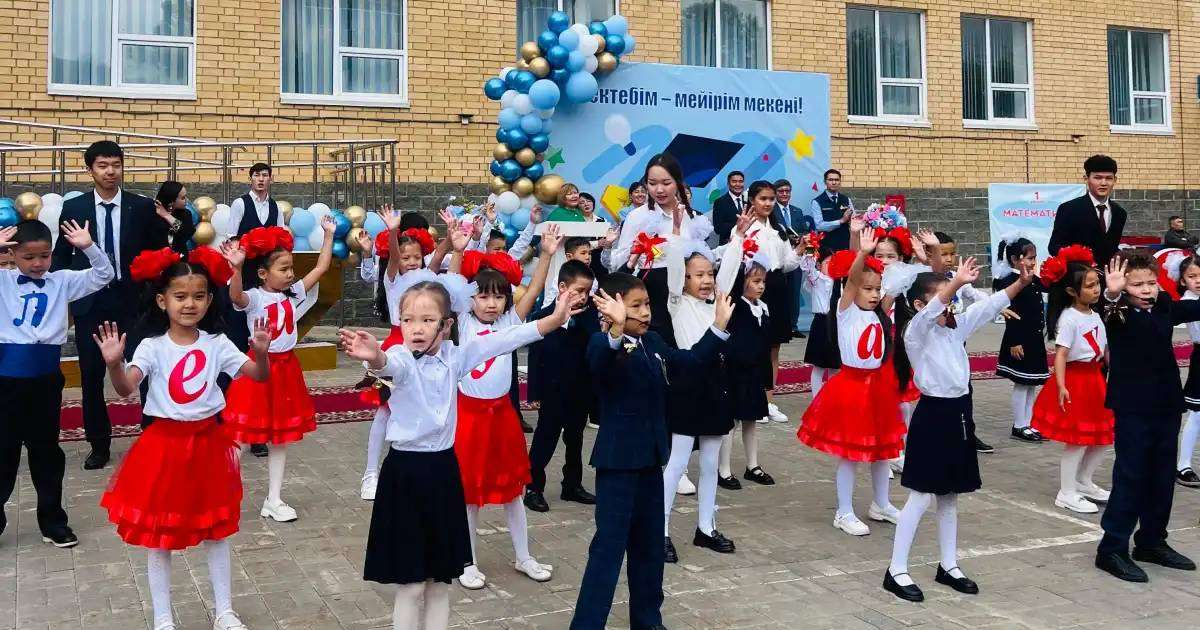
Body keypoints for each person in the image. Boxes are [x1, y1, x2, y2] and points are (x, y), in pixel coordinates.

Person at [339, 272, 579, 630]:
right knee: (411, 583)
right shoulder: (400, 357)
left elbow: (509, 338)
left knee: (440, 581)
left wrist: (555, 319)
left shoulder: (457, 355)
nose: (416, 328)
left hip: (444, 472)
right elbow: (389, 366)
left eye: (427, 320)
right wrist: (375, 356)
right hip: (405, 475)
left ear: (447, 324)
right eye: (408, 319)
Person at [97, 248, 270, 630]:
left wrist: (261, 353)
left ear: (209, 300)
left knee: (216, 531)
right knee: (160, 535)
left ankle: (224, 610)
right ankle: (163, 618)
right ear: (162, 301)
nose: (189, 304)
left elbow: (257, 375)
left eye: (198, 296)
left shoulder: (218, 344)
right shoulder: (152, 347)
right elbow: (127, 388)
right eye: (180, 296)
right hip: (164, 446)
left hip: (209, 444)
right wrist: (113, 363)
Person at [571, 273, 731, 630]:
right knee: (608, 552)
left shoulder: (653, 341)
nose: (645, 313)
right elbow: (600, 363)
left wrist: (718, 327)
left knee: (649, 550)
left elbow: (686, 364)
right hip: (618, 465)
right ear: (611, 308)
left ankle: (648, 621)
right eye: (635, 306)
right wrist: (614, 330)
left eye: (646, 305)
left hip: (651, 461)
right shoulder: (603, 344)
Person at [883, 256, 1032, 602]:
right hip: (932, 415)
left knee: (950, 496)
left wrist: (1021, 283)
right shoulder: (916, 331)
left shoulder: (956, 327)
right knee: (921, 496)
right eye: (944, 299)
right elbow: (936, 303)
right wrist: (955, 284)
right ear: (920, 304)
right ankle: (896, 569)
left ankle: (948, 564)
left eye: (951, 299)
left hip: (959, 414)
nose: (950, 304)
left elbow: (993, 303)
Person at [454, 227, 562, 590]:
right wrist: (458, 251)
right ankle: (466, 560)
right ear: (469, 299)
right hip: (468, 418)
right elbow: (454, 286)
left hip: (502, 417)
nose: (490, 303)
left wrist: (546, 254)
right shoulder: (462, 322)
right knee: (470, 493)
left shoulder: (510, 323)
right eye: (482, 296)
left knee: (513, 490)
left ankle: (524, 556)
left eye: (498, 297)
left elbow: (532, 291)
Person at [52, 140, 167, 470]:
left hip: (135, 303)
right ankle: (99, 445)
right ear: (90, 170)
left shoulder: (141, 207)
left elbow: (160, 255)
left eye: (115, 164)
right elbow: (61, 257)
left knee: (148, 372)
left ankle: (153, 435)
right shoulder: (75, 209)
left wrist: (156, 295)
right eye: (102, 165)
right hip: (91, 305)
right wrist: (64, 295)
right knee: (91, 376)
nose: (110, 171)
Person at [0, 220, 111, 548]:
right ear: (13, 255)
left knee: (46, 452)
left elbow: (103, 275)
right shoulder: (3, 281)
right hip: (6, 381)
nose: (37, 263)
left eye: (44, 256)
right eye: (28, 257)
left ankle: (53, 521)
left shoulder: (61, 281)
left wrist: (88, 245)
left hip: (46, 381)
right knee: (3, 452)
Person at [220, 219, 335, 523]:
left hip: (286, 370)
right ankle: (218, 493)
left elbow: (321, 268)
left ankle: (274, 498)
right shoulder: (255, 297)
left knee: (280, 438)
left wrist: (328, 234)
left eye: (291, 268)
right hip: (259, 368)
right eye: (283, 269)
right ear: (262, 273)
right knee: (242, 437)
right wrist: (235, 268)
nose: (290, 274)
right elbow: (235, 297)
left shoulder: (293, 293)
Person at [1094, 251, 1200, 583]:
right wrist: (1111, 293)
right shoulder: (1118, 310)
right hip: (1133, 407)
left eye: (1151, 283)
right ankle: (1111, 549)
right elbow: (1106, 309)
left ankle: (1152, 541)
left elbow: (1191, 307)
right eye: (1136, 284)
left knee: (1162, 477)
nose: (1146, 289)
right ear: (1124, 287)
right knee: (1131, 476)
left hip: (1167, 403)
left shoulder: (1165, 304)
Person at [799, 238, 905, 536]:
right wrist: (862, 252)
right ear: (854, 286)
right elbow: (852, 279)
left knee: (883, 451)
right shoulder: (845, 310)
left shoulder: (879, 311)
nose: (873, 294)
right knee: (850, 454)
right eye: (867, 288)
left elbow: (898, 283)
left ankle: (881, 504)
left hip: (877, 390)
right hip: (852, 388)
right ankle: (843, 511)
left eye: (876, 289)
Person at [660, 210, 749, 562]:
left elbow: (728, 273)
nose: (707, 280)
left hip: (716, 388)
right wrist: (677, 235)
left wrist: (738, 238)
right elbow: (672, 265)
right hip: (687, 388)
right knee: (677, 463)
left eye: (709, 273)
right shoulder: (676, 302)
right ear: (684, 280)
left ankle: (706, 527)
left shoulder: (718, 305)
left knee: (710, 463)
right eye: (698, 275)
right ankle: (661, 530)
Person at [357, 209, 439, 500]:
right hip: (396, 346)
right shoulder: (393, 280)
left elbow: (438, 261)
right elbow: (393, 258)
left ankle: (419, 470)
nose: (412, 262)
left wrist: (452, 243)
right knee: (384, 411)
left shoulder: (427, 278)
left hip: (425, 348)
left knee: (421, 406)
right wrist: (393, 233)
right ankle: (370, 473)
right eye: (406, 258)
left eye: (416, 257)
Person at [1029, 246, 1112, 513]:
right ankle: (1066, 491)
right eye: (1089, 286)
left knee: (1103, 437)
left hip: (1095, 380)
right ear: (1070, 291)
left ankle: (1084, 481)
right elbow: (1061, 354)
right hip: (1077, 381)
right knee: (1077, 440)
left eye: (1097, 284)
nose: (1096, 289)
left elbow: (1104, 347)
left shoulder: (1095, 313)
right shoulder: (1069, 318)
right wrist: (1062, 385)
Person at [611, 154, 712, 346]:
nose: (659, 190)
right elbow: (618, 262)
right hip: (654, 291)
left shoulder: (690, 216)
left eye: (666, 183)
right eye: (652, 183)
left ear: (678, 182)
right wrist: (635, 253)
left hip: (687, 291)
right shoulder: (637, 217)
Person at [524, 260, 600, 512]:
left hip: (579, 390)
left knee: (575, 439)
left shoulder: (589, 317)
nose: (582, 297)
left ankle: (572, 485)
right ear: (562, 287)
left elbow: (594, 346)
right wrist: (534, 392)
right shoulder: (543, 316)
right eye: (578, 291)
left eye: (587, 292)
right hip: (552, 392)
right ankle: (533, 487)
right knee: (546, 439)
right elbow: (535, 357)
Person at [739, 180, 805, 424]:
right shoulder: (745, 227)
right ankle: (751, 399)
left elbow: (785, 263)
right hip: (751, 288)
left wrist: (798, 251)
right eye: (763, 199)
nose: (767, 203)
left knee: (773, 347)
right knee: (753, 346)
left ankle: (768, 401)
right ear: (752, 201)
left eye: (771, 199)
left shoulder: (778, 229)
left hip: (776, 287)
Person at [993, 236, 1049, 443]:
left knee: (1031, 383)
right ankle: (1019, 425)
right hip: (1019, 339)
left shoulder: (1033, 278)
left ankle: (1028, 422)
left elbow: (1048, 288)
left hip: (1034, 338)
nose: (1033, 262)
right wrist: (1015, 341)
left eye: (1035, 257)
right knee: (1021, 382)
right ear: (1016, 259)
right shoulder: (1008, 282)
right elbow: (1011, 314)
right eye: (1029, 258)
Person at [1048, 155, 1126, 266]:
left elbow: (1111, 247)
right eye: (1097, 178)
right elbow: (1054, 246)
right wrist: (1078, 259)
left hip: (1108, 278)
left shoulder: (1120, 213)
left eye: (1109, 178)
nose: (1103, 183)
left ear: (1115, 180)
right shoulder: (1069, 209)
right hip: (1078, 277)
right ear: (1086, 178)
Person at [798, 235, 836, 396]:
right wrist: (810, 246)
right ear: (820, 265)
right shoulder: (817, 278)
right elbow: (807, 266)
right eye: (828, 263)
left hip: (835, 323)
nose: (832, 266)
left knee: (835, 365)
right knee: (819, 366)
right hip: (821, 323)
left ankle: (834, 398)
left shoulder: (839, 281)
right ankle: (817, 400)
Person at [774, 179, 812, 337]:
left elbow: (804, 230)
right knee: (778, 293)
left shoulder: (797, 211)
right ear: (775, 193)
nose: (784, 194)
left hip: (796, 256)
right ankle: (779, 326)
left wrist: (800, 238)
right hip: (779, 257)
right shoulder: (771, 211)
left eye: (787, 191)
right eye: (781, 191)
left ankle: (793, 326)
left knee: (794, 292)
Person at [1176, 255, 1200, 487]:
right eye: (1192, 277)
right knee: (1196, 415)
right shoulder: (1188, 302)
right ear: (1182, 281)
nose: (1198, 281)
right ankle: (1183, 465)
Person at [808, 169, 855, 252]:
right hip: (826, 247)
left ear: (840, 182)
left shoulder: (846, 199)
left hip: (845, 245)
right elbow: (819, 226)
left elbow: (854, 220)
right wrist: (841, 221)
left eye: (836, 180)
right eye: (830, 180)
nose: (834, 183)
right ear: (825, 182)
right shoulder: (817, 201)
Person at [152, 181, 197, 255]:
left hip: (179, 259)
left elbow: (186, 233)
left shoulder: (186, 214)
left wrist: (166, 215)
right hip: (156, 259)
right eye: (183, 198)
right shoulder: (153, 212)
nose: (186, 200)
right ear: (172, 200)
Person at [711, 171, 746, 245]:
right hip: (728, 245)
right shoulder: (720, 202)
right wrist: (737, 223)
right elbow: (718, 229)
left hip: (749, 244)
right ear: (728, 184)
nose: (738, 184)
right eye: (734, 181)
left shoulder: (749, 200)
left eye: (740, 181)